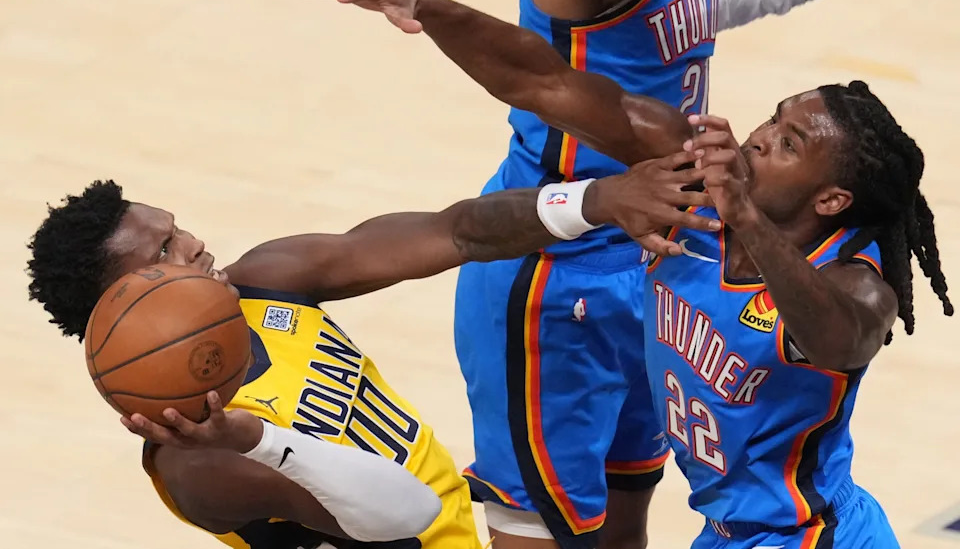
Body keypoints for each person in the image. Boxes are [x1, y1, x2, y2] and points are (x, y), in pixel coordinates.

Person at [283, 0, 951, 548]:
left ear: (830, 199)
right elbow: (544, 82)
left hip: (816, 535)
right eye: (774, 120)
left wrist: (745, 214)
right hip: (726, 531)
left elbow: (839, 339)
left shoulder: (856, 283)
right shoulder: (692, 179)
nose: (759, 136)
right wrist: (427, 7)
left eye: (788, 143)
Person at [26, 162, 715, 549]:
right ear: (125, 301)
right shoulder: (196, 458)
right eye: (166, 248)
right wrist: (261, 440)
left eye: (177, 228)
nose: (196, 245)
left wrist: (593, 201)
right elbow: (402, 516)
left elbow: (456, 232)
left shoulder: (265, 279)